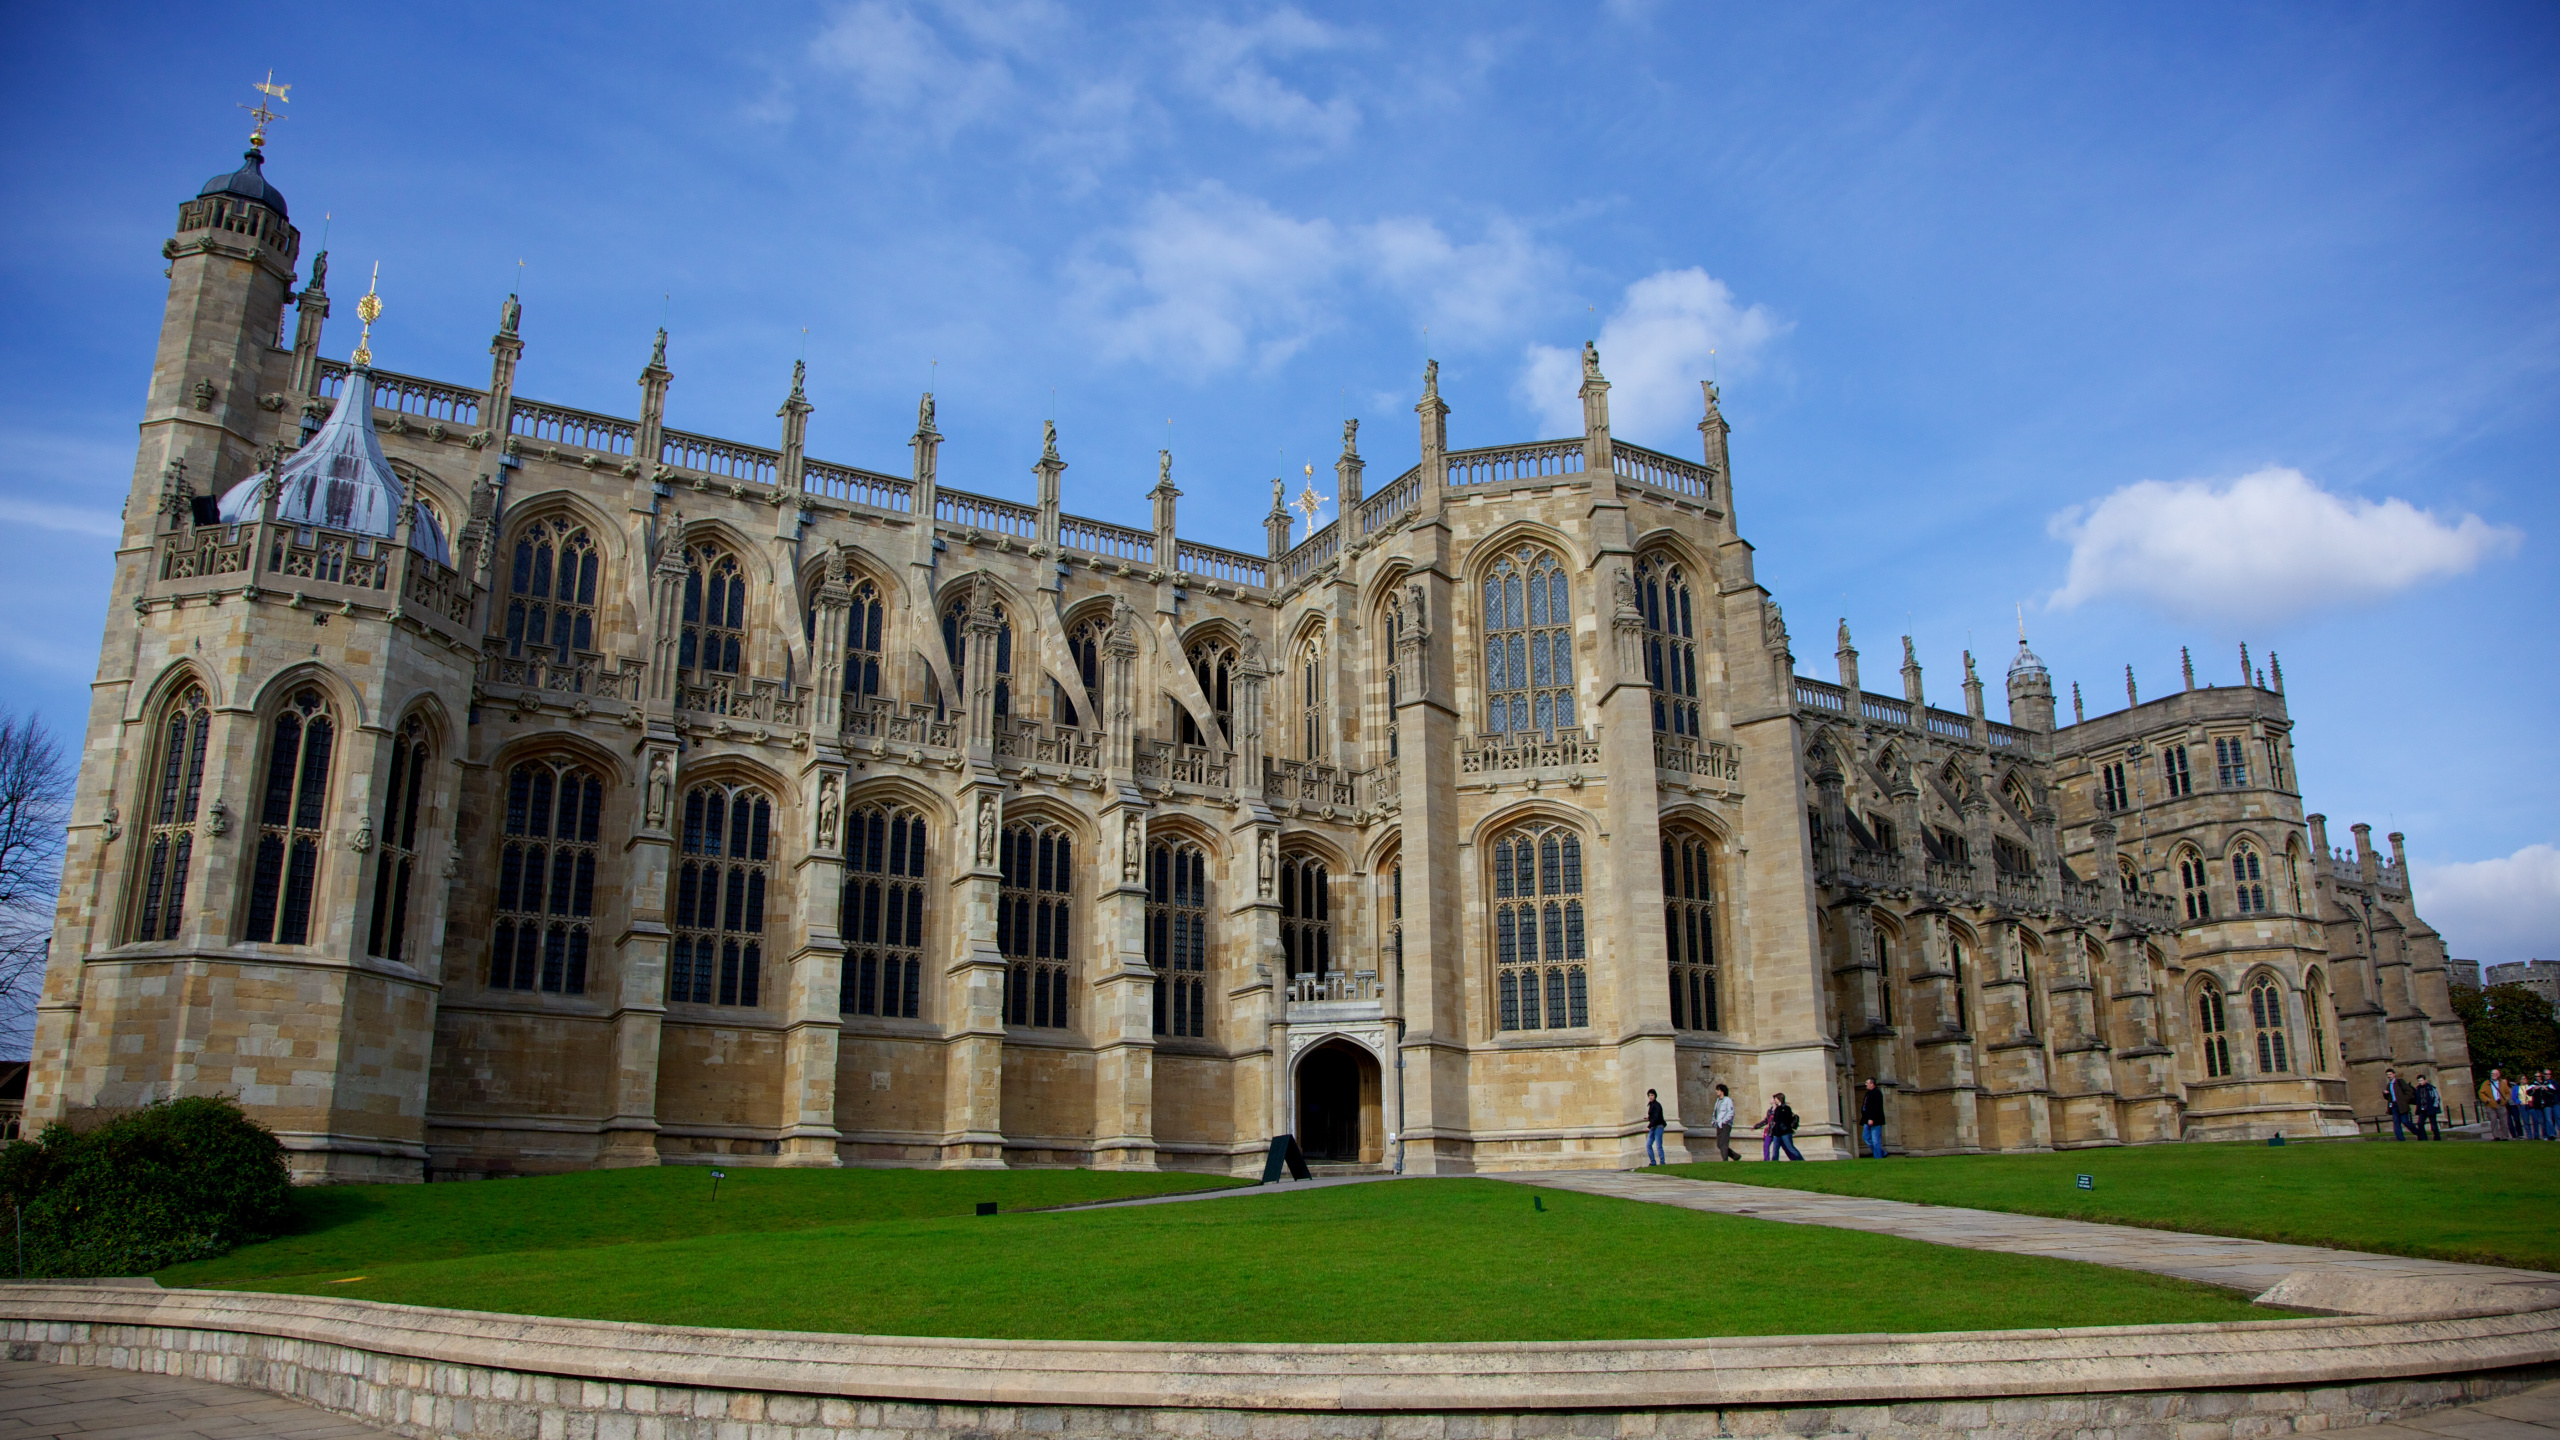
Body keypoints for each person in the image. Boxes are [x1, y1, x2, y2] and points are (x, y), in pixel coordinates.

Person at [1768, 1092, 1806, 1162]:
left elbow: (1787, 1119)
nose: (1775, 1100)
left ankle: (1801, 1159)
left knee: (1790, 1147)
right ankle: (1774, 1161)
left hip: (1785, 1131)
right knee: (1775, 1148)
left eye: (1775, 1098)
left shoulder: (1786, 1108)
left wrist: (1783, 1125)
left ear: (1779, 1099)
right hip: (1777, 1132)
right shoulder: (1777, 1108)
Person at [1859, 1077, 1888, 1159]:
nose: (1865, 1084)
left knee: (1875, 1141)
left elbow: (1876, 1107)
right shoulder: (1868, 1093)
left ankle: (1878, 1157)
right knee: (1866, 1138)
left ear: (1872, 1084)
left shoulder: (1877, 1093)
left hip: (1875, 1120)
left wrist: (1872, 1118)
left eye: (1867, 1083)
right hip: (1866, 1120)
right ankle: (1882, 1152)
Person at [1712, 1083, 1740, 1161]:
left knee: (1724, 1143)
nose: (1716, 1091)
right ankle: (1735, 1156)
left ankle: (1725, 1160)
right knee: (1719, 1144)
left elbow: (1731, 1112)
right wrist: (1714, 1121)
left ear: (1722, 1091)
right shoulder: (1718, 1101)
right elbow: (1715, 1112)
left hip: (1725, 1124)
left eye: (1718, 1090)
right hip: (1719, 1124)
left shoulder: (1728, 1100)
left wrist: (1724, 1121)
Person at [2480, 1069, 2511, 1139]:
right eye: (2492, 1074)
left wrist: (2506, 1099)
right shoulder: (2486, 1083)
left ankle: (2505, 1136)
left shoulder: (2502, 1083)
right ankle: (2496, 1136)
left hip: (2501, 1104)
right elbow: (2481, 1093)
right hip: (2490, 1105)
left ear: (2498, 1075)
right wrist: (2486, 1099)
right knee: (2493, 1121)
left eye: (2495, 1074)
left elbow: (2508, 1092)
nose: (2493, 1075)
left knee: (2503, 1121)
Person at [2414, 1073, 2443, 1141]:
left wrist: (2434, 1106)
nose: (2420, 1082)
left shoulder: (2430, 1087)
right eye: (2419, 1081)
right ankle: (2423, 1138)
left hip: (2430, 1108)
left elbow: (2436, 1097)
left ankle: (2437, 1138)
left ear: (2424, 1080)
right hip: (2422, 1109)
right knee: (2420, 1123)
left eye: (2421, 1080)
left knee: (2433, 1125)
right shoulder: (2418, 1089)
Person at [1644, 1088, 1668, 1167]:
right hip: (1653, 1127)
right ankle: (1653, 1162)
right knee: (1648, 1145)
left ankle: (1662, 1162)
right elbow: (1653, 1116)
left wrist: (1649, 1126)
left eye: (1652, 1095)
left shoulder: (1657, 1105)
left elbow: (1657, 1117)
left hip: (1658, 1127)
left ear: (1655, 1096)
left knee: (1658, 1145)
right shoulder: (1651, 1105)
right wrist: (1648, 1118)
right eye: (1649, 1095)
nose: (1650, 1097)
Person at [2384, 1068, 2408, 1141]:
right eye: (2387, 1075)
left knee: (2405, 1121)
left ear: (2394, 1074)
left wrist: (2404, 1100)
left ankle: (2419, 1133)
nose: (2389, 1076)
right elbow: (2388, 1098)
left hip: (2402, 1105)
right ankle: (2400, 1138)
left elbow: (2408, 1091)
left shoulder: (2400, 1082)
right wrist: (2385, 1094)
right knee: (2396, 1122)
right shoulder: (2389, 1085)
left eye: (2390, 1074)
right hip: (2394, 1105)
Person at [1757, 1097, 1781, 1161]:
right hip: (1770, 1131)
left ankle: (1775, 1160)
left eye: (1771, 1099)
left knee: (1777, 1147)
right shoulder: (1769, 1110)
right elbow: (1766, 1120)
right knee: (1766, 1145)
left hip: (1776, 1132)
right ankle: (1766, 1160)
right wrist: (1757, 1126)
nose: (1770, 1100)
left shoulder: (1779, 1110)